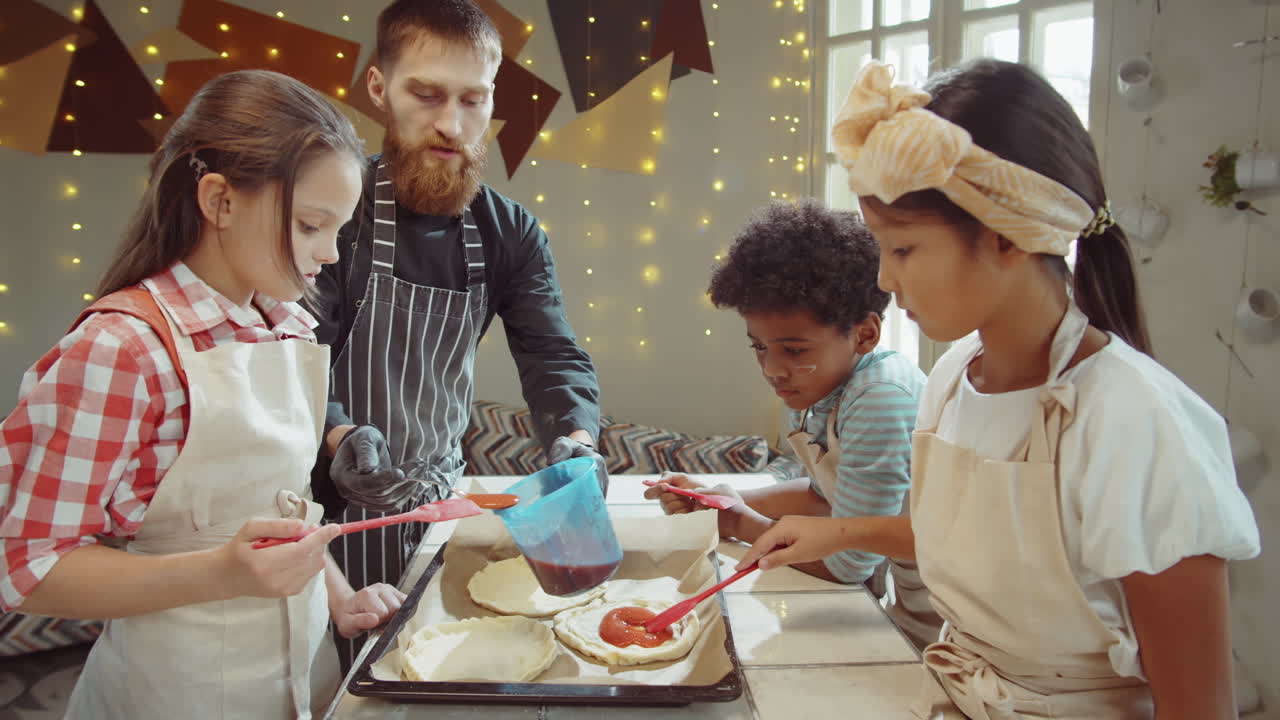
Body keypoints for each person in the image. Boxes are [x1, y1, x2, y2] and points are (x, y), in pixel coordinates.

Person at [739, 60, 1262, 719]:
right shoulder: (955, 379)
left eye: (903, 249)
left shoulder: (1135, 422)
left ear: (1006, 237)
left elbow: (1199, 705)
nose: (887, 281)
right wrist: (838, 533)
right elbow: (982, 546)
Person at [0, 70, 405, 719]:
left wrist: (335, 594)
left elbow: (280, 507)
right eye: (309, 225)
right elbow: (26, 567)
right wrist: (220, 574)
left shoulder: (285, 326)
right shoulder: (121, 351)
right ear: (219, 200)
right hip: (175, 694)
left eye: (339, 229)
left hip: (307, 675)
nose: (330, 253)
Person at [308, 0, 605, 667]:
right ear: (380, 89)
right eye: (427, 95)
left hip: (435, 510)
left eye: (473, 100)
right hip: (325, 524)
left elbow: (552, 354)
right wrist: (338, 434)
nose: (452, 124)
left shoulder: (510, 233)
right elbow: (286, 354)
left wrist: (575, 441)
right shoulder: (329, 212)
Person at [643, 199, 939, 644]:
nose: (772, 369)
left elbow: (848, 564)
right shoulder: (819, 385)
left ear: (864, 334)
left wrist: (739, 524)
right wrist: (729, 499)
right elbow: (827, 500)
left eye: (794, 350)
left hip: (940, 621)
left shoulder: (881, 398)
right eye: (758, 346)